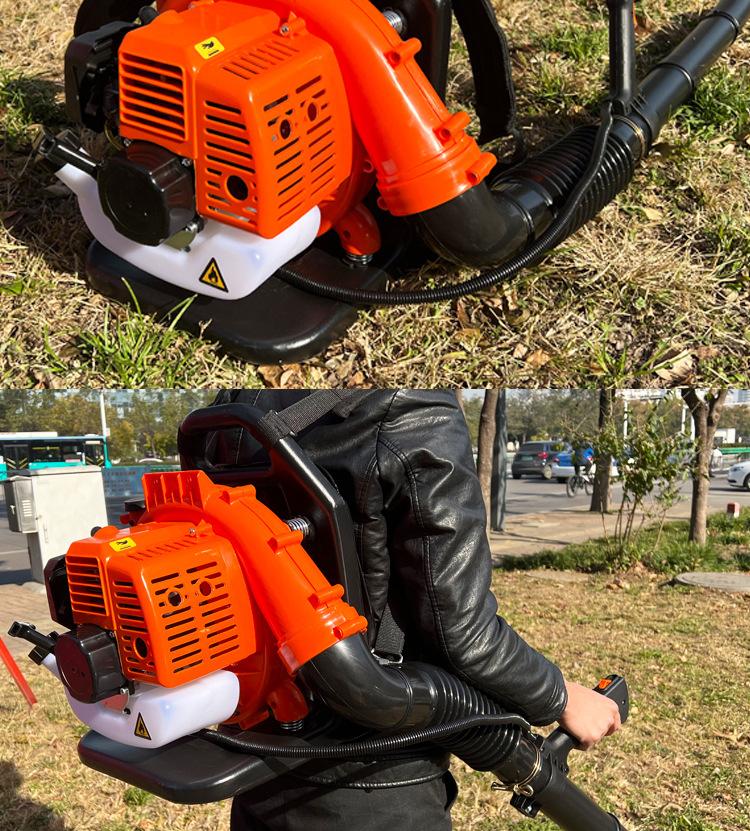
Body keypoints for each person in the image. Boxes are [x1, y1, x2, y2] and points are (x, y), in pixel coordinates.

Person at [205, 390, 621, 831]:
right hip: (376, 776)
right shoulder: (411, 408)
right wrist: (561, 696)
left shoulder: (230, 405)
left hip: (263, 751)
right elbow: (461, 633)